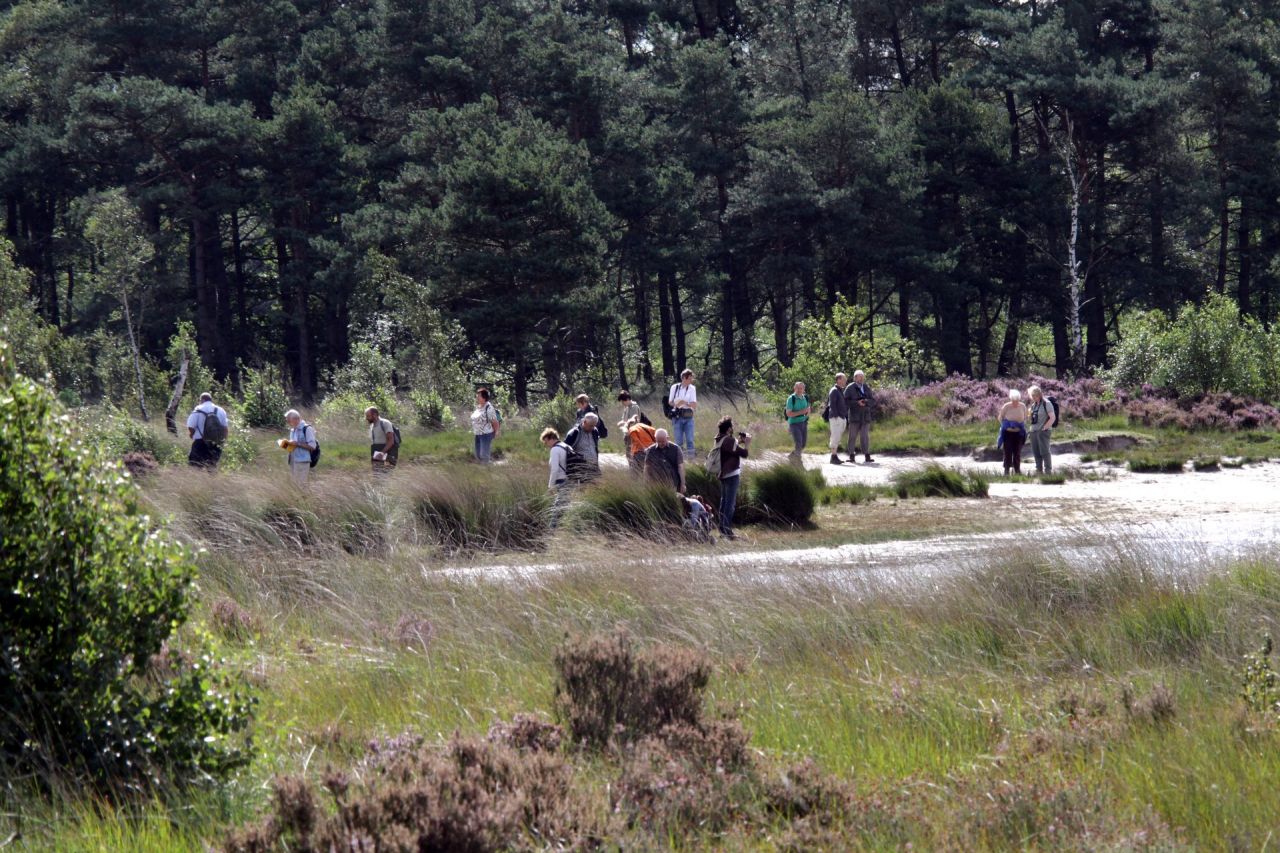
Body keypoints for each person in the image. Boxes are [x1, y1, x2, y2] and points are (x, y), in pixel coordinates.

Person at [713, 417, 750, 540]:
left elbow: (730, 450)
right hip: (731, 474)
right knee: (730, 503)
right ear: (729, 429)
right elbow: (744, 454)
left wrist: (738, 442)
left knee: (724, 502)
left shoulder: (719, 438)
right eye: (732, 427)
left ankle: (722, 528)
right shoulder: (728, 440)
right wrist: (747, 443)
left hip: (722, 474)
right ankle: (727, 531)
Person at [186, 392, 228, 469]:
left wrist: (191, 434)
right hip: (215, 443)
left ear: (202, 400)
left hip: (200, 442)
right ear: (211, 400)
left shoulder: (198, 409)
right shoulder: (221, 410)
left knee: (195, 468)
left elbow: (191, 426)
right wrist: (222, 442)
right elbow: (225, 429)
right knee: (211, 469)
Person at [541, 427, 573, 528]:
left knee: (558, 506)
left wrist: (550, 486)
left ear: (551, 438)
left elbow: (554, 470)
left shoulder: (555, 449)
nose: (546, 445)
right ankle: (565, 526)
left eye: (546, 442)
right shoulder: (566, 446)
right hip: (571, 480)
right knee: (566, 504)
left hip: (561, 480)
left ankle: (553, 529)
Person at [562, 411, 607, 481]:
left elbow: (604, 435)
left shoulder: (595, 431)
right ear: (584, 422)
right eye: (590, 426)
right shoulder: (574, 433)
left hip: (593, 468)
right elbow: (564, 450)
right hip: (579, 470)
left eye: (594, 425)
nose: (592, 428)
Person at [843, 370, 874, 464]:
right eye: (859, 377)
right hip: (854, 416)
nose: (861, 378)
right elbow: (845, 401)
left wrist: (866, 402)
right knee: (852, 436)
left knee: (865, 436)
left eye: (862, 376)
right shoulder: (849, 387)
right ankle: (851, 455)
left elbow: (873, 400)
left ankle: (867, 455)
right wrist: (857, 403)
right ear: (855, 378)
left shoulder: (866, 387)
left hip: (865, 416)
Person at [280, 409, 317, 486]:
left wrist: (297, 443)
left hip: (303, 461)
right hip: (293, 461)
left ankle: (304, 498)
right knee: (295, 484)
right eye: (287, 421)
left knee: (301, 485)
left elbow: (313, 446)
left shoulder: (307, 429)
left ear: (296, 419)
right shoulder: (292, 430)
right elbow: (293, 446)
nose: (288, 423)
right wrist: (285, 444)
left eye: (289, 421)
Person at [643, 428, 685, 493]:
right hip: (656, 484)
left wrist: (683, 484)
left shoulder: (676, 449)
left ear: (667, 438)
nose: (660, 444)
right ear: (655, 439)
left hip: (673, 483)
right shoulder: (650, 450)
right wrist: (646, 483)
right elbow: (647, 468)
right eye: (658, 441)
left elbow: (681, 467)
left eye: (663, 441)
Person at [997, 389, 1029, 476]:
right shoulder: (1006, 406)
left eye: (1017, 401)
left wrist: (1021, 424)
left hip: (1019, 433)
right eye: (1013, 401)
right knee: (1007, 452)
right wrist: (1005, 425)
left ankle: (1017, 470)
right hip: (1008, 433)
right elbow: (1000, 418)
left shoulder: (1022, 406)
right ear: (1011, 399)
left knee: (1017, 452)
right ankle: (1006, 471)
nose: (1015, 403)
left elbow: (1025, 418)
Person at [1027, 385, 1057, 475]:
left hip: (1043, 431)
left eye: (1034, 395)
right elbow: (1032, 419)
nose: (1033, 398)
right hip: (1033, 431)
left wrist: (1045, 428)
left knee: (1044, 451)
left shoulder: (1047, 403)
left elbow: (1052, 417)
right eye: (1032, 396)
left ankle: (1048, 471)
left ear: (1039, 394)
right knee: (1036, 452)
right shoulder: (1033, 405)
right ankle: (1039, 470)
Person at [668, 369, 698, 458]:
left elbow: (694, 404)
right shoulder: (674, 387)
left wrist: (685, 403)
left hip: (688, 416)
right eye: (690, 378)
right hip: (677, 417)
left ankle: (691, 460)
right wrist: (677, 403)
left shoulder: (692, 388)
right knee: (679, 442)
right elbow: (670, 402)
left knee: (690, 440)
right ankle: (680, 461)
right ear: (684, 378)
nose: (691, 380)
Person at [471, 388, 501, 463]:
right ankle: (484, 469)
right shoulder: (478, 407)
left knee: (484, 455)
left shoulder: (489, 408)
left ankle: (487, 469)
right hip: (477, 434)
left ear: (484, 397)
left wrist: (496, 432)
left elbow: (495, 421)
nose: (477, 397)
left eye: (479, 396)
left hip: (486, 434)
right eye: (477, 396)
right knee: (478, 455)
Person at [826, 373, 850, 465]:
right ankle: (833, 457)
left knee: (837, 437)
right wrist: (836, 416)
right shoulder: (834, 390)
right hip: (836, 418)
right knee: (835, 437)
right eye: (844, 379)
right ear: (839, 380)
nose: (845, 381)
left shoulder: (840, 390)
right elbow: (832, 404)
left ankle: (834, 456)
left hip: (841, 417)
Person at [785, 381, 811, 464]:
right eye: (798, 388)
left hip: (804, 423)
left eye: (801, 388)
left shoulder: (805, 397)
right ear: (794, 388)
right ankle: (798, 461)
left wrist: (807, 415)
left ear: (804, 389)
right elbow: (788, 413)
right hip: (794, 423)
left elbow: (808, 408)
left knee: (803, 444)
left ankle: (792, 456)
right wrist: (802, 412)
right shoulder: (791, 398)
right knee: (799, 442)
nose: (799, 390)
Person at [366, 406, 398, 472]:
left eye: (368, 416)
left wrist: (382, 453)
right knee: (376, 475)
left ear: (374, 415)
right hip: (376, 452)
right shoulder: (372, 426)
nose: (366, 418)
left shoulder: (385, 423)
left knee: (387, 474)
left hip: (387, 453)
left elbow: (391, 441)